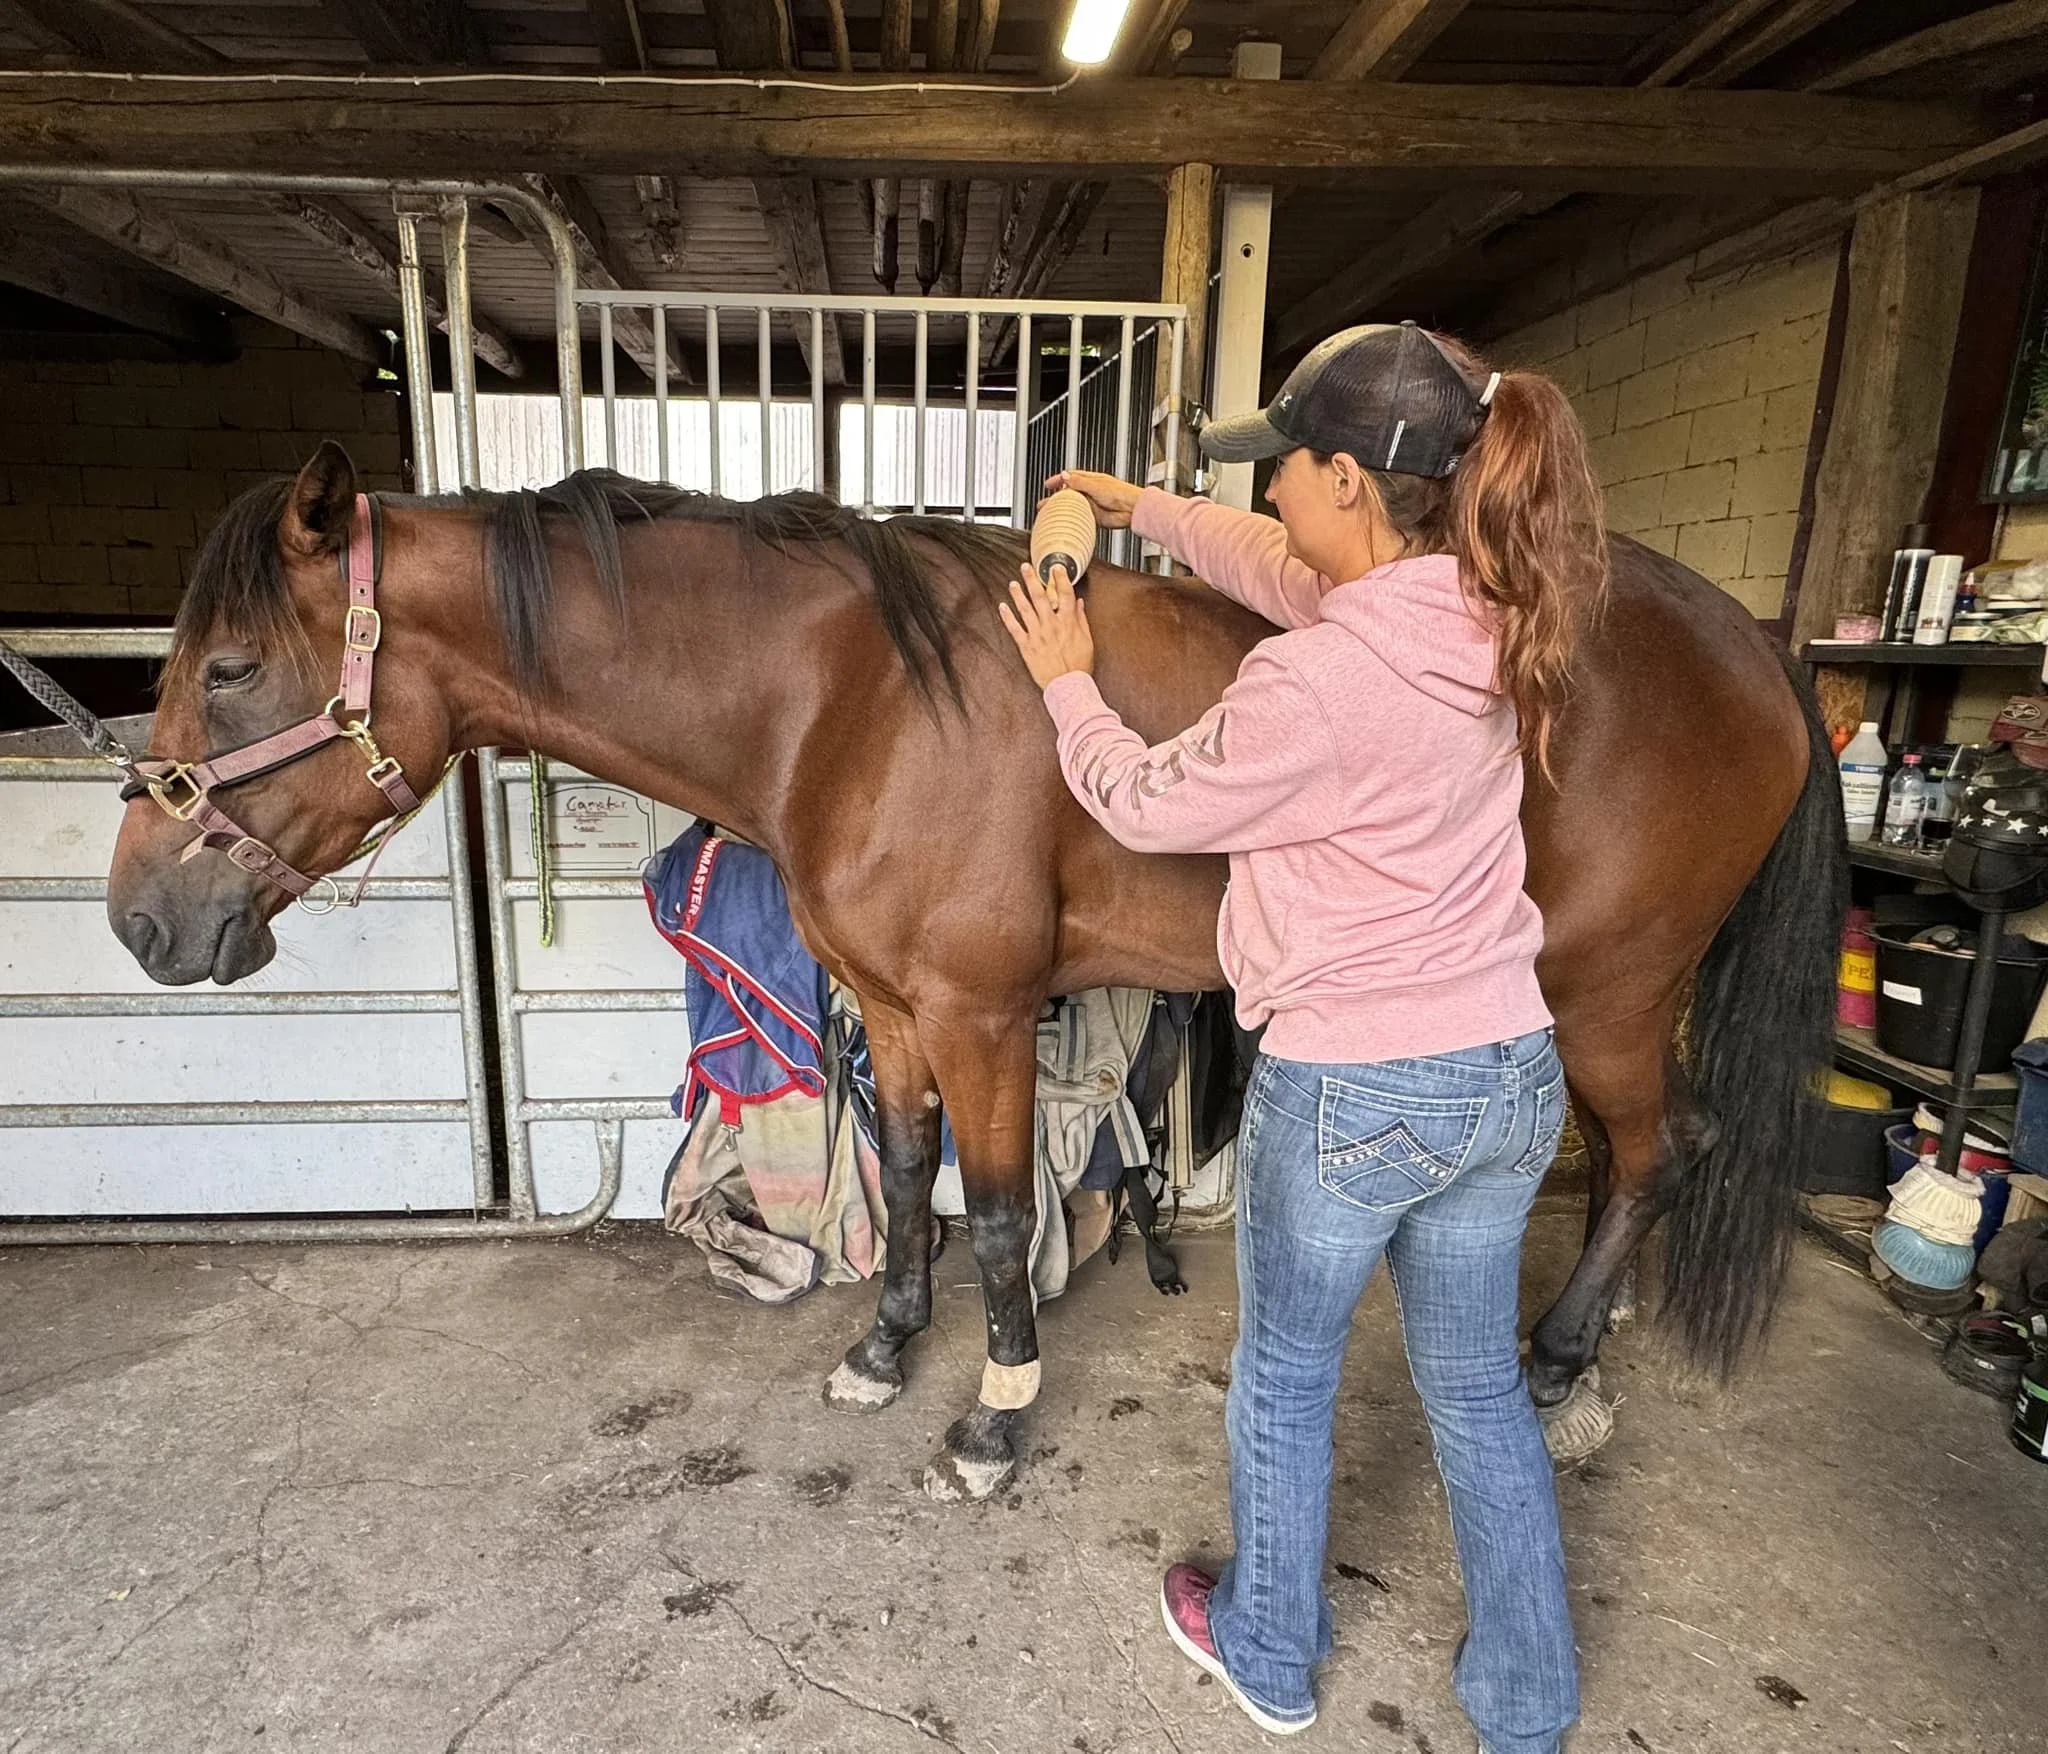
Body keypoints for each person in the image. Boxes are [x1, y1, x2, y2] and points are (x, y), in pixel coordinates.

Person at [998, 322, 1605, 1752]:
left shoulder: (1315, 688)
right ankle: (1527, 1701)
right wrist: (1138, 506)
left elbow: (1145, 804)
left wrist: (1066, 678)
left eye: (1287, 472)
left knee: (1285, 1371)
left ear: (1347, 478)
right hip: (1511, 1074)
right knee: (1474, 1389)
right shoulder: (1488, 597)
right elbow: (1274, 568)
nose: (1270, 495)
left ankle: (1270, 1648)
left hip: (1357, 1088)